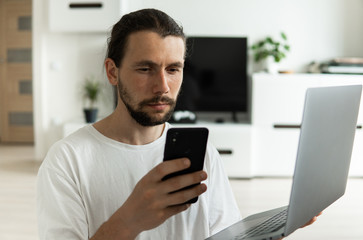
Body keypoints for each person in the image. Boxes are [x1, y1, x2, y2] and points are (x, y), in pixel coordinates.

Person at [37, 8, 319, 240]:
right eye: (145, 69)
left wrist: (266, 233)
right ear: (113, 72)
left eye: (173, 69)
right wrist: (129, 221)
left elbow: (223, 233)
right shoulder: (67, 160)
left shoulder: (203, 152)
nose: (162, 86)